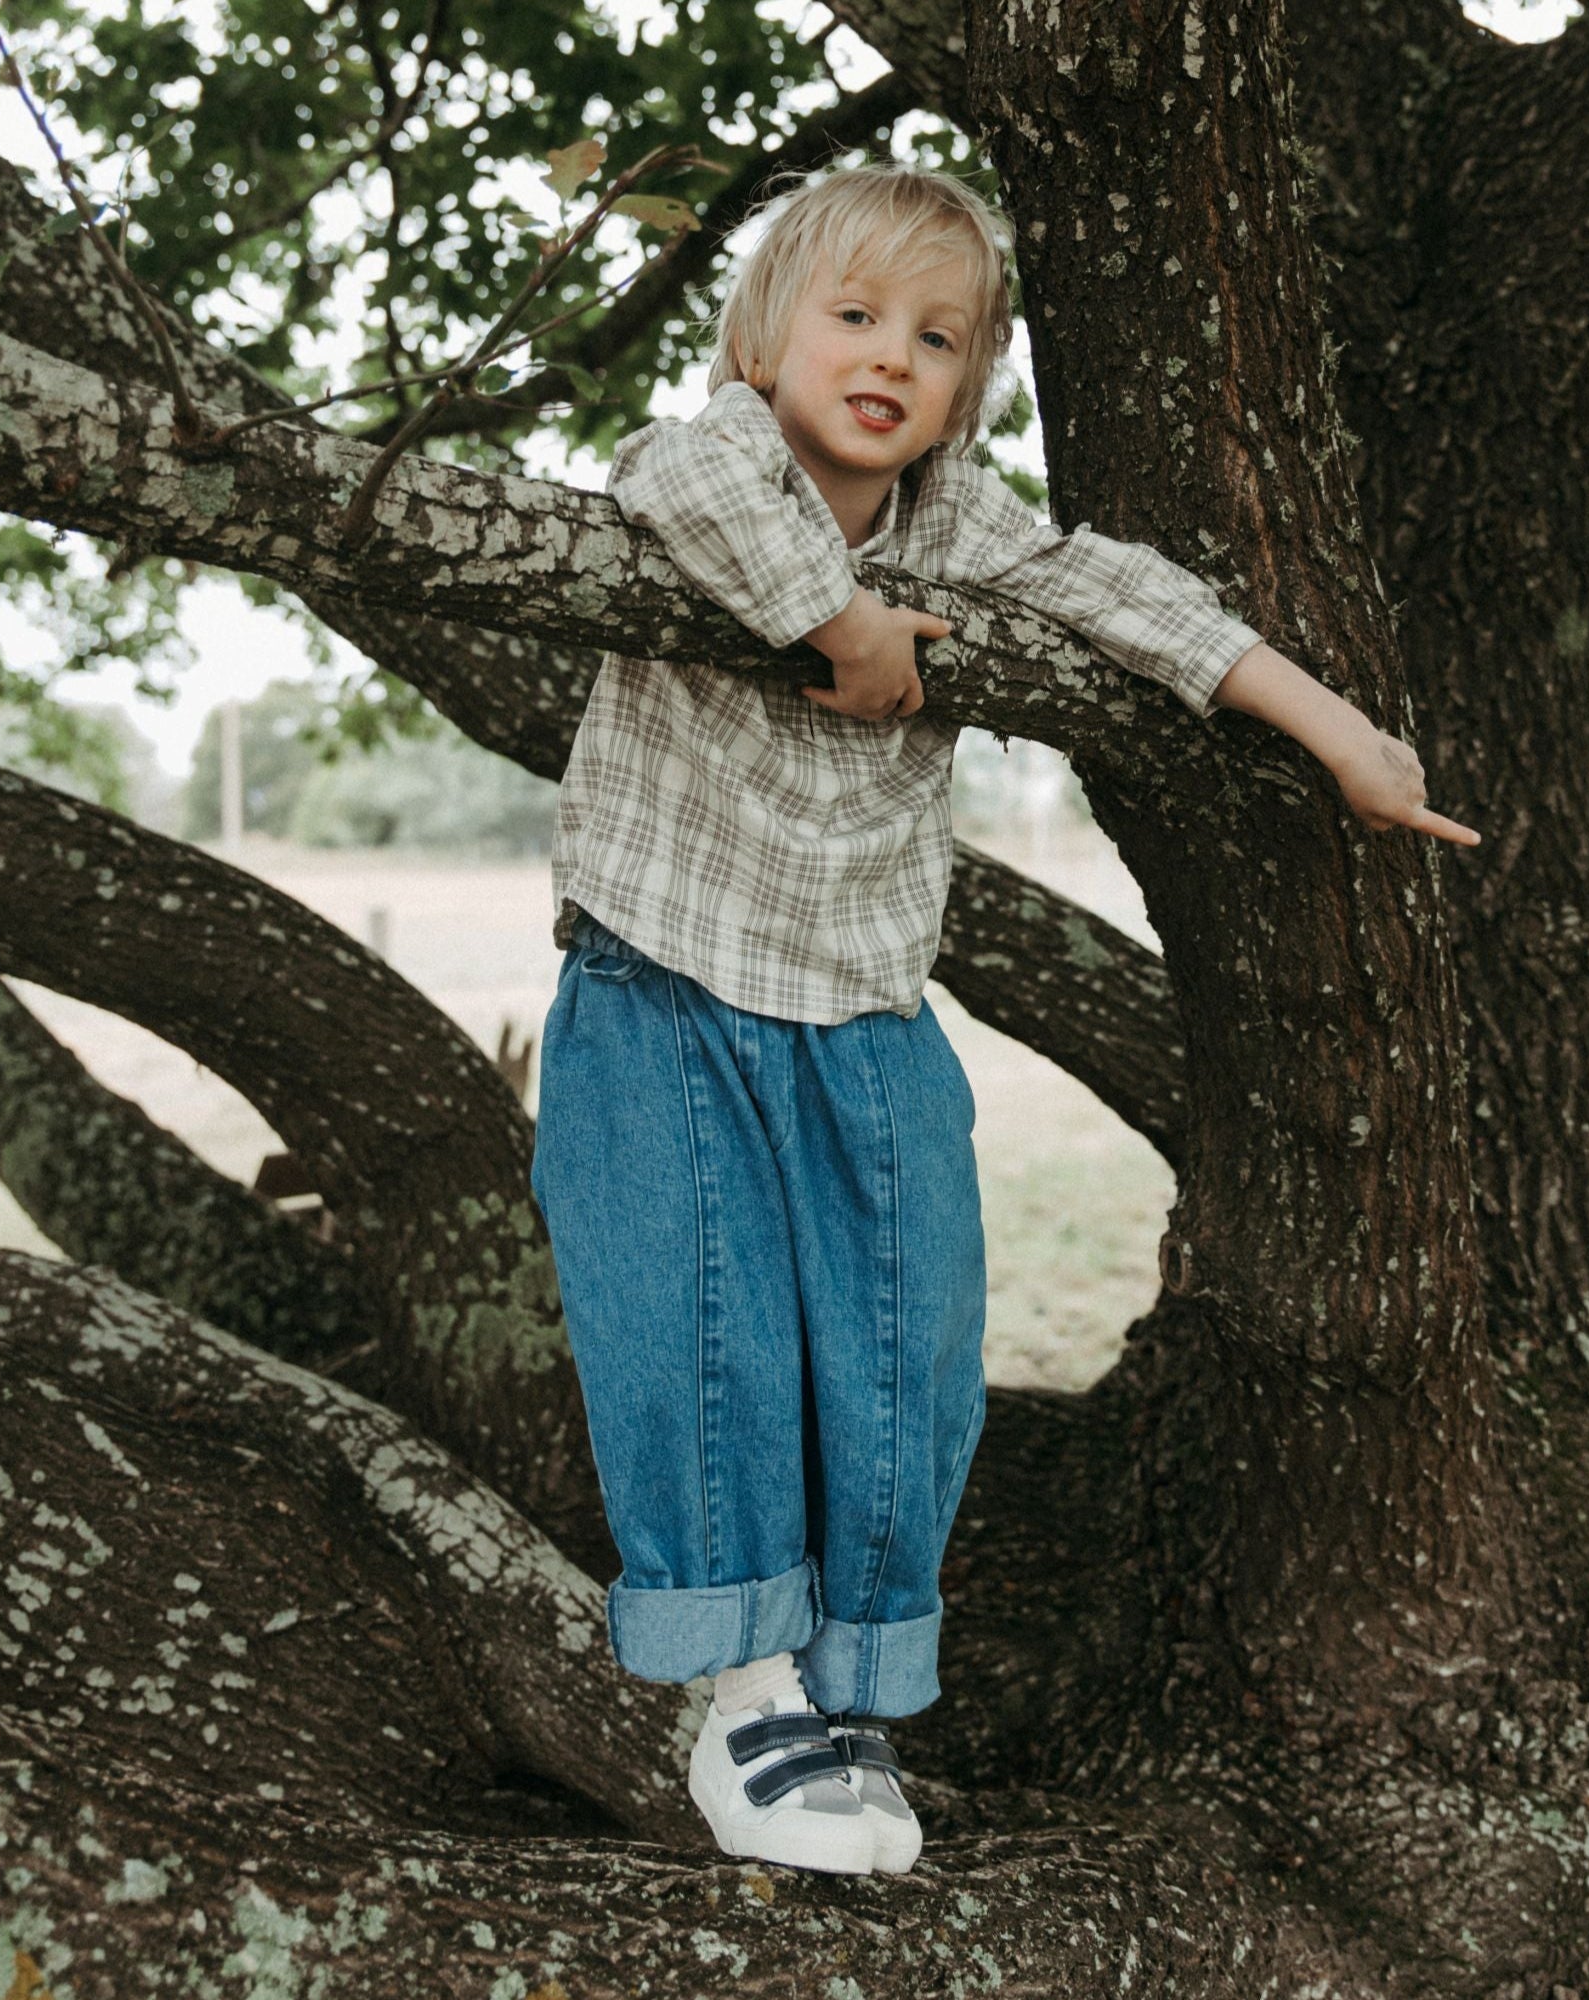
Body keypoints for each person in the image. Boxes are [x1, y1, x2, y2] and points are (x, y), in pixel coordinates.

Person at [529, 161, 1479, 1880]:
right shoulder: (716, 457)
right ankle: (745, 1697)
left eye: (940, 336)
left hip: (861, 1004)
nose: (892, 355)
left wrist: (1340, 732)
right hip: (662, 979)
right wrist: (840, 627)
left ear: (971, 384)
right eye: (854, 315)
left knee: (909, 1340)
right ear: (765, 336)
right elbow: (679, 480)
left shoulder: (953, 525)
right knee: (706, 1340)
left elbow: (1121, 593)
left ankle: (853, 1692)